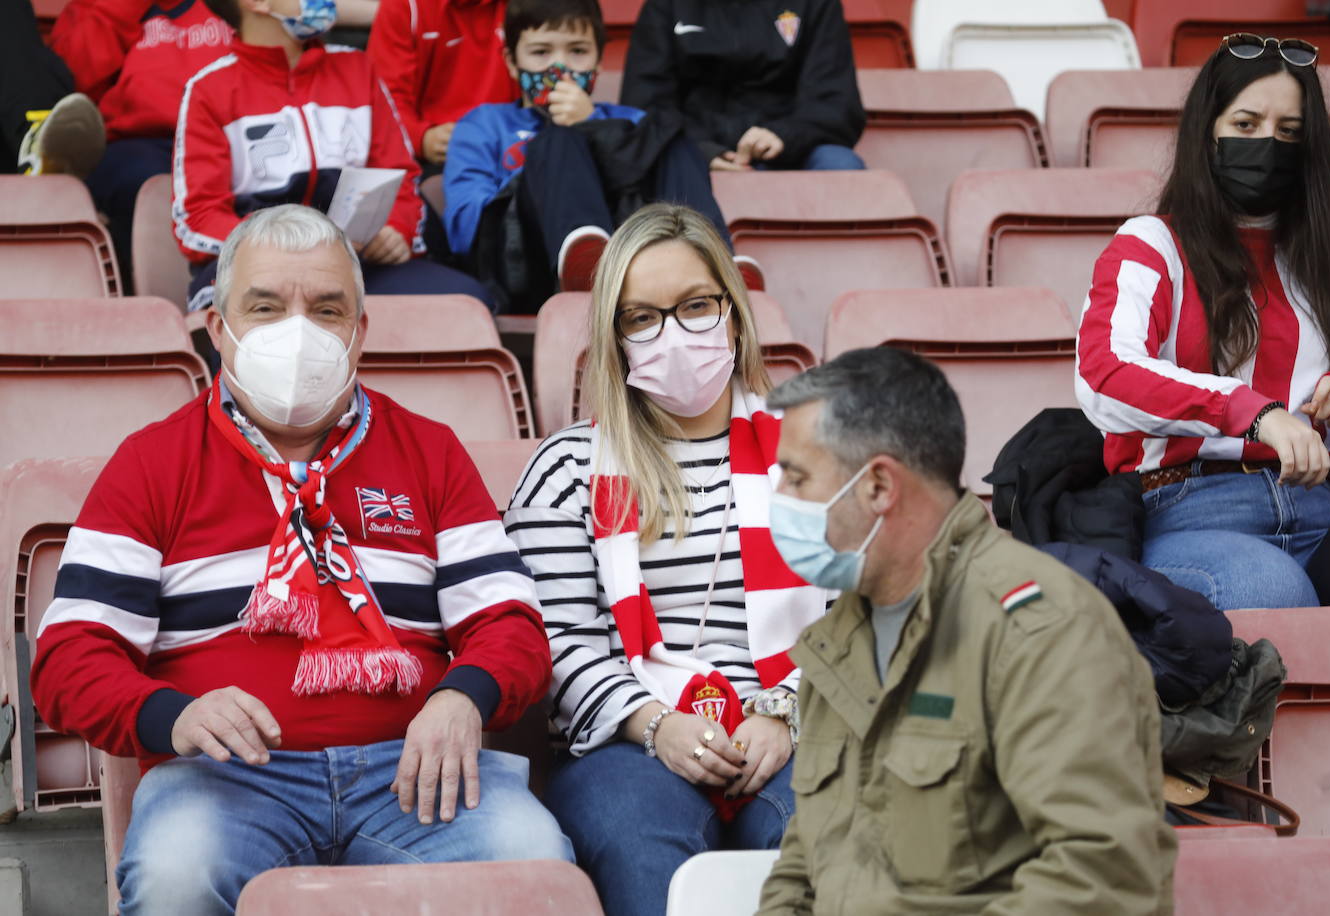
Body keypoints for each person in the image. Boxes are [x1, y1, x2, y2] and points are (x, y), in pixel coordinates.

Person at [30, 205, 571, 915]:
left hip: (417, 774)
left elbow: (512, 626)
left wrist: (461, 697)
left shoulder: (431, 451)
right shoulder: (151, 463)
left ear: (358, 332)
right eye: (265, 306)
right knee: (175, 876)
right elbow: (69, 660)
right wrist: (172, 715)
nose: (299, 330)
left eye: (326, 308)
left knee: (535, 863)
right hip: (223, 780)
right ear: (219, 329)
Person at [757, 347, 1177, 914]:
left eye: (796, 477)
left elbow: (1100, 878)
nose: (777, 499)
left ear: (879, 486)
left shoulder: (1043, 632)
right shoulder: (840, 641)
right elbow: (804, 865)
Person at [504, 203, 827, 916]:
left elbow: (864, 612)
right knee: (639, 837)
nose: (672, 333)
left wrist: (784, 712)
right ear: (614, 339)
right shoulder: (565, 468)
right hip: (626, 742)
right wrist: (656, 724)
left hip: (800, 725)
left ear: (734, 316)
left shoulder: (818, 451)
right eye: (641, 317)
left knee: (821, 833)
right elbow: (556, 640)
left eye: (695, 307)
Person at [1076, 34, 1330, 610]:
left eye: (1289, 132)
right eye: (1245, 124)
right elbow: (1104, 374)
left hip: (1326, 511)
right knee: (1274, 590)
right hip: (1184, 506)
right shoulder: (1151, 244)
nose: (1268, 145)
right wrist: (1252, 413)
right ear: (1207, 132)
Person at [178, 0, 492, 312]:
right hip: (258, 269)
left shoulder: (358, 69)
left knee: (469, 304)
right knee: (262, 320)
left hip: (360, 264)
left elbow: (400, 177)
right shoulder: (208, 90)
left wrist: (396, 231)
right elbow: (199, 217)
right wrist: (289, 249)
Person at [443, 0, 742, 309]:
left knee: (672, 140)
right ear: (511, 61)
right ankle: (583, 260)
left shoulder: (632, 122)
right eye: (540, 52)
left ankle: (713, 261)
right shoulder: (483, 125)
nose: (560, 69)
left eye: (577, 51)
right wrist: (543, 173)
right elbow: (470, 229)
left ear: (599, 60)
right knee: (557, 140)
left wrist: (590, 127)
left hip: (635, 257)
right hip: (526, 267)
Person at [48, 0, 235, 282]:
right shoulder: (97, 6)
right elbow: (71, 85)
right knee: (145, 187)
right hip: (141, 142)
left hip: (233, 136)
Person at [620, 0, 865, 172]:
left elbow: (836, 104)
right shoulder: (666, 5)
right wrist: (701, 151)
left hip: (793, 152)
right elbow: (645, 103)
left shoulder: (816, 4)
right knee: (655, 168)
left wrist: (782, 135)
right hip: (691, 154)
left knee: (841, 165)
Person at [368, 0, 516, 167]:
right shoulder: (404, 5)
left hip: (516, 144)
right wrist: (423, 138)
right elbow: (385, 99)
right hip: (432, 159)